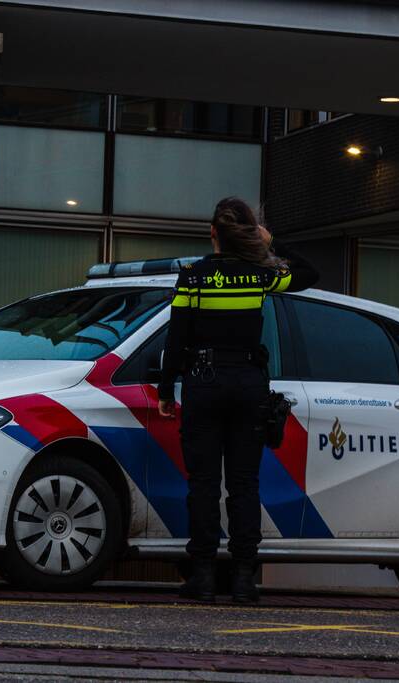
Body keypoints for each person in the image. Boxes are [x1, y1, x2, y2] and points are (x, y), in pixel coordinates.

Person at [157, 197, 318, 603]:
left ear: (212, 233)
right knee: (245, 484)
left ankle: (203, 578)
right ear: (247, 233)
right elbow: (309, 273)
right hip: (248, 385)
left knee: (204, 484)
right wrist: (271, 242)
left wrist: (164, 389)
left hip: (204, 384)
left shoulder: (192, 278)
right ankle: (245, 579)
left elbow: (176, 339)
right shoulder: (260, 275)